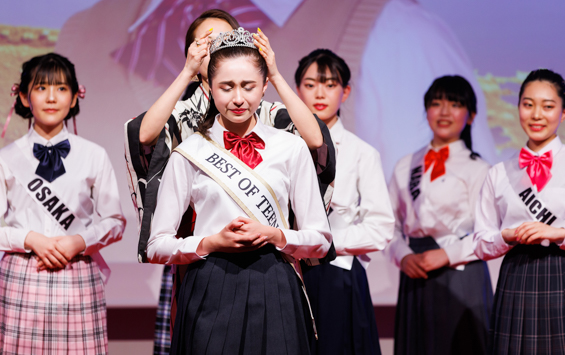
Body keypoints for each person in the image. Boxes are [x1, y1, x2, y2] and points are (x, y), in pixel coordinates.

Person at [123, 9, 336, 354]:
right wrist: (209, 243)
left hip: (277, 283)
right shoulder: (188, 150)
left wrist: (276, 235)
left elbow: (320, 241)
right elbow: (157, 244)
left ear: (265, 85)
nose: (238, 98)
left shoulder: (289, 144)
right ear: (208, 85)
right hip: (209, 284)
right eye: (226, 87)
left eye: (248, 86)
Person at [0, 53, 126, 354]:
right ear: (25, 96)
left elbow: (115, 222)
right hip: (22, 273)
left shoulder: (94, 154)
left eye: (61, 88)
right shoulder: (7, 156)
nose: (51, 97)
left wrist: (79, 241)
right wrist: (29, 239)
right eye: (41, 88)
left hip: (78, 272)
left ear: (74, 97)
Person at [474, 69, 565, 354]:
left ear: (564, 112)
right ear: (518, 107)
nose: (536, 114)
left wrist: (560, 233)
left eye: (548, 106)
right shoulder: (498, 172)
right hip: (517, 277)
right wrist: (505, 236)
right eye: (528, 104)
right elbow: (481, 242)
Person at [295, 49, 394, 354]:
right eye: (310, 85)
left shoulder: (361, 152)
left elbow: (380, 228)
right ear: (297, 89)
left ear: (346, 91)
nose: (319, 93)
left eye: (330, 84)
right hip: (286, 271)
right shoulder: (281, 146)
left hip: (337, 274)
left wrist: (321, 241)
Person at [386, 75, 493, 354]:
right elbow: (388, 225)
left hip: (461, 272)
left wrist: (446, 255)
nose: (444, 112)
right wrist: (404, 256)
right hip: (416, 270)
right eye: (436, 104)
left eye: (455, 104)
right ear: (426, 111)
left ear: (470, 116)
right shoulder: (405, 165)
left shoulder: (479, 169)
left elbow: (489, 232)